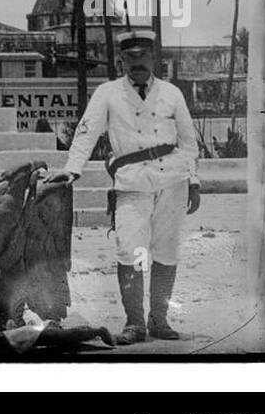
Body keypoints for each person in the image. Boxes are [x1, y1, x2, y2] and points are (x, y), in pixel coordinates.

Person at [44, 28, 201, 344]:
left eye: (143, 56)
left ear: (153, 58)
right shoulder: (108, 93)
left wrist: (194, 180)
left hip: (173, 181)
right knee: (129, 250)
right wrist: (72, 169)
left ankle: (159, 319)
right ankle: (134, 324)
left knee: (166, 250)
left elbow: (188, 142)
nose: (137, 63)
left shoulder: (172, 93)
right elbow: (86, 133)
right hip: (131, 182)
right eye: (131, 57)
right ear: (122, 60)